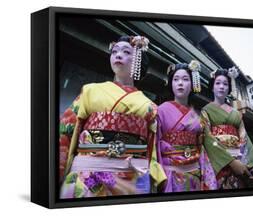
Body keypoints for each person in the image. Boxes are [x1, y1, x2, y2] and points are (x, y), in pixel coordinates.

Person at [59, 35, 166, 198]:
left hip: (131, 175)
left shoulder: (149, 106)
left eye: (126, 52)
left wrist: (153, 176)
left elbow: (151, 148)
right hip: (88, 172)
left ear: (138, 59)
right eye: (114, 51)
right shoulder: (90, 91)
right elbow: (66, 131)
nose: (118, 55)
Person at [156, 61, 217, 192]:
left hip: (194, 172)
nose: (180, 83)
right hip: (169, 173)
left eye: (185, 79)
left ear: (193, 84)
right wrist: (159, 176)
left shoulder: (197, 115)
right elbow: (155, 145)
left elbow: (201, 147)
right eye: (175, 79)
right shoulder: (161, 110)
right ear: (171, 83)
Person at [200, 68, 253, 189]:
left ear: (229, 88)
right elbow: (207, 137)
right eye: (218, 83)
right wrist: (231, 162)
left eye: (225, 84)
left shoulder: (236, 113)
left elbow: (243, 137)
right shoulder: (206, 110)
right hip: (218, 161)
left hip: (240, 159)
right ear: (212, 87)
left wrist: (252, 162)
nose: (221, 86)